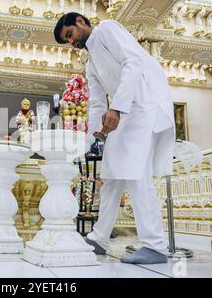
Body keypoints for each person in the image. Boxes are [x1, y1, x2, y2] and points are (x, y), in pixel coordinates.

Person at [54, 13, 175, 264]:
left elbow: (133, 62)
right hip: (124, 114)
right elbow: (97, 102)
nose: (71, 42)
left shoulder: (107, 29)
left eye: (70, 35)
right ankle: (99, 238)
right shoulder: (90, 64)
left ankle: (155, 245)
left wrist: (117, 108)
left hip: (145, 104)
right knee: (110, 177)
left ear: (80, 22)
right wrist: (91, 137)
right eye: (67, 41)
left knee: (136, 173)